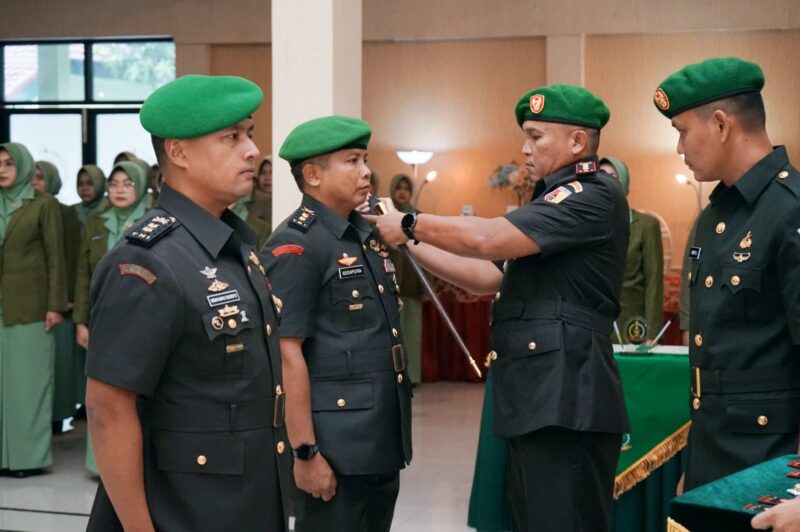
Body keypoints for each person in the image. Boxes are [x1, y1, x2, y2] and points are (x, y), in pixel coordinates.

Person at [366, 84, 630, 531]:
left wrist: (411, 221)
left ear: (577, 142)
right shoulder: (552, 199)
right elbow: (488, 275)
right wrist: (407, 238)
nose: (525, 150)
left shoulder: (590, 195)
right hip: (539, 393)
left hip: (566, 394)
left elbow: (488, 237)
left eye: (536, 137)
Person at [84, 74, 288, 531]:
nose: (252, 150)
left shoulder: (232, 245)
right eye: (231, 137)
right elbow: (107, 407)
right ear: (178, 153)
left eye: (249, 134)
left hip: (243, 496)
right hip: (183, 508)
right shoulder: (148, 262)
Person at [653, 57, 800, 492]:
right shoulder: (717, 215)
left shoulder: (789, 210)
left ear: (720, 124)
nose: (680, 147)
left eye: (681, 130)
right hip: (717, 456)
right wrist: (698, 467)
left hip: (773, 463)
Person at [263, 115, 413, 532]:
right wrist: (305, 451)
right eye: (351, 161)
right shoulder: (297, 244)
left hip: (379, 434)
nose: (366, 172)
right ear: (312, 174)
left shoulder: (362, 233)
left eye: (364, 159)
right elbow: (285, 352)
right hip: (335, 445)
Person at [73, 161, 150, 474]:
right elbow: (82, 273)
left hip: (143, 318)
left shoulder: (154, 221)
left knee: (135, 393)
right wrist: (81, 319)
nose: (119, 189)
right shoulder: (95, 222)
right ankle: (102, 464)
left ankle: (136, 464)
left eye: (127, 183)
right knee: (103, 392)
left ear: (142, 186)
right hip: (102, 317)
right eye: (115, 183)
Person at [0, 143, 68, 478]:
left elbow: (56, 257)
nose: (2, 169)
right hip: (1, 305)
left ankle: (27, 458)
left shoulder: (43, 205)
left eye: (9, 163)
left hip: (31, 307)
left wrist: (55, 304)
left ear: (24, 166)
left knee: (28, 386)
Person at [33, 161, 82, 433]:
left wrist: (68, 296)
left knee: (59, 364)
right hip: (34, 297)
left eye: (40, 178)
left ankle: (57, 419)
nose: (35, 183)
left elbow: (69, 256)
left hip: (61, 301)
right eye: (32, 177)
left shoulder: (64, 212)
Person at [598, 157, 664, 343]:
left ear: (625, 182)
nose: (607, 181)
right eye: (601, 176)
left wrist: (652, 333)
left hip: (633, 325)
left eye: (613, 176)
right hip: (592, 325)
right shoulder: (586, 225)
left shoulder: (646, 226)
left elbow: (654, 282)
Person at [389, 173, 423, 383]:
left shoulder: (419, 217)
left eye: (406, 188)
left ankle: (412, 376)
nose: (402, 192)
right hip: (392, 285)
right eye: (398, 188)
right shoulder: (385, 216)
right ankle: (395, 375)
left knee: (412, 334)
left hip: (413, 287)